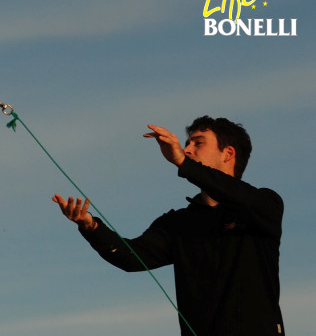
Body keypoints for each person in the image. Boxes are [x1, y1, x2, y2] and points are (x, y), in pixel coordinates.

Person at [53, 116, 284, 335]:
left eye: (198, 143)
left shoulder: (264, 205)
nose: (187, 149)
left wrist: (183, 163)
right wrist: (90, 225)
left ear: (228, 153)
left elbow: (241, 197)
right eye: (187, 144)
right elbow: (131, 257)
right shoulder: (178, 222)